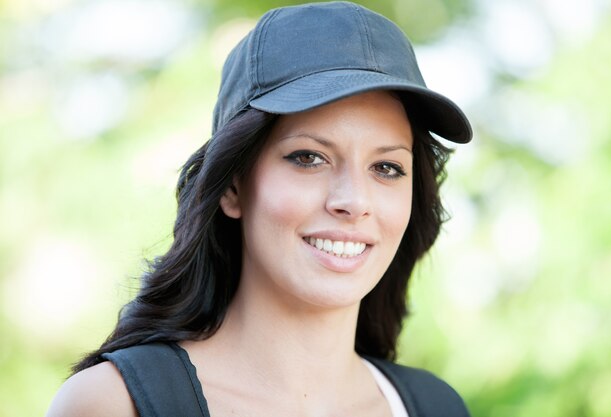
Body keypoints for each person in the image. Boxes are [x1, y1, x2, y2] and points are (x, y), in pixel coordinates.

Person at [47, 2, 473, 416]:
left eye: (386, 167)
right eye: (308, 157)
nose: (354, 201)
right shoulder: (114, 404)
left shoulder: (434, 406)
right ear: (233, 186)